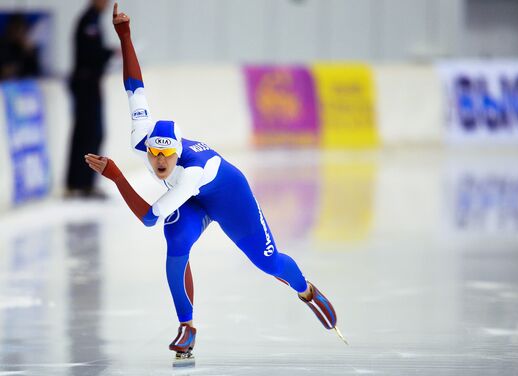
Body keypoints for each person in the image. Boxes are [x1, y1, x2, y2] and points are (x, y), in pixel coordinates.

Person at [85, 3, 344, 363]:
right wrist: (125, 36)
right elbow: (134, 87)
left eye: (167, 156)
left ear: (177, 153)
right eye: (154, 155)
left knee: (268, 264)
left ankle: (306, 290)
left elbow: (148, 217)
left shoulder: (188, 173)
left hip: (228, 194)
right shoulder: (142, 137)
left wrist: (116, 176)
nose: (159, 162)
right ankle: (187, 326)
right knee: (175, 240)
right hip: (193, 199)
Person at [66, 0, 114, 198]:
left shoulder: (93, 20)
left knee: (92, 133)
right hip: (86, 85)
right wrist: (110, 52)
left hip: (90, 84)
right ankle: (80, 183)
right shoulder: (88, 21)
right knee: (89, 133)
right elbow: (90, 54)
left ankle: (84, 182)